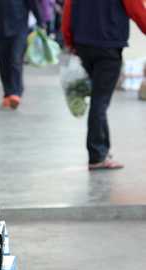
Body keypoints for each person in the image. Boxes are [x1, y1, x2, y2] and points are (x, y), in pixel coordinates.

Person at [61, 0, 146, 169]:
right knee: (100, 102)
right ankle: (97, 156)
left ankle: (103, 149)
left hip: (84, 44)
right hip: (108, 45)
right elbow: (137, 11)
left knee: (99, 100)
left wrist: (70, 41)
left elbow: (68, 12)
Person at [0, 0, 46, 109]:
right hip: (0, 29)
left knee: (15, 59)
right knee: (3, 62)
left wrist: (42, 25)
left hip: (20, 29)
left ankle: (16, 93)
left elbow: (34, 5)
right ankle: (7, 93)